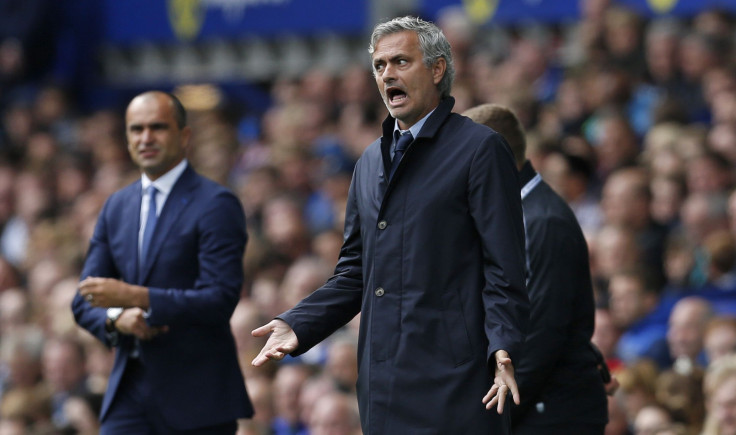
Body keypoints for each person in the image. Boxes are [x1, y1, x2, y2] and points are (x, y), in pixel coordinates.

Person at [252, 16, 529, 434]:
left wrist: (503, 344)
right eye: (380, 66)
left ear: (437, 70)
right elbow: (354, 273)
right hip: (383, 386)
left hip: (455, 383)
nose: (387, 75)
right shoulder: (367, 163)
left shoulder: (480, 150)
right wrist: (299, 321)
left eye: (400, 61)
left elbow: (504, 268)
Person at [71, 91, 253, 433]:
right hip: (130, 391)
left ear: (184, 136)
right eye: (136, 129)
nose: (146, 138)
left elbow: (220, 299)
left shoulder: (216, 204)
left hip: (198, 397)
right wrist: (117, 318)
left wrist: (136, 297)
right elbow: (84, 300)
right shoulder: (116, 206)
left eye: (158, 127)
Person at [463, 103, 608, 434]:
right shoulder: (514, 214)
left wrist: (495, 415)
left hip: (552, 414)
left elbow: (542, 332)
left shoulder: (543, 222)